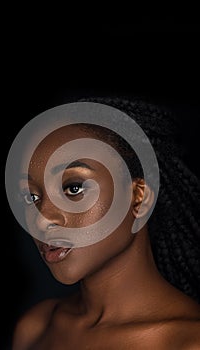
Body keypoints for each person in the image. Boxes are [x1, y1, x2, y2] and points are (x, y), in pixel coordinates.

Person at [11, 97, 200, 349]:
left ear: (139, 197)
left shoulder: (188, 341)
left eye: (73, 188)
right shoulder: (36, 327)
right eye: (30, 196)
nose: (42, 218)